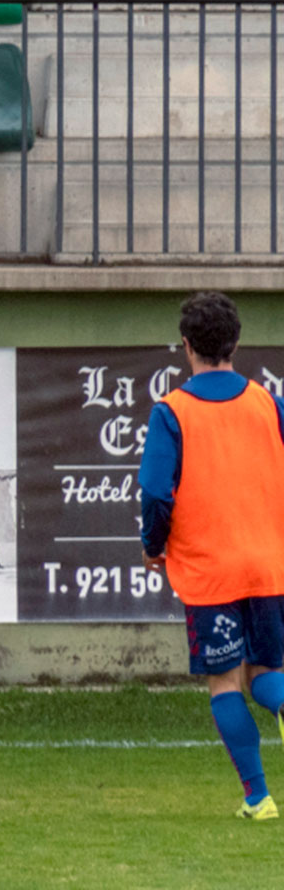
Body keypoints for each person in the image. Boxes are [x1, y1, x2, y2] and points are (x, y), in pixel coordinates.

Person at [140, 291, 284, 821]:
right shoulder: (269, 403)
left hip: (210, 571)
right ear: (236, 343)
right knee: (266, 671)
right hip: (270, 566)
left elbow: (156, 492)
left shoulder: (172, 411)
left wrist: (153, 546)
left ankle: (258, 798)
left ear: (185, 346)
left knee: (225, 682)